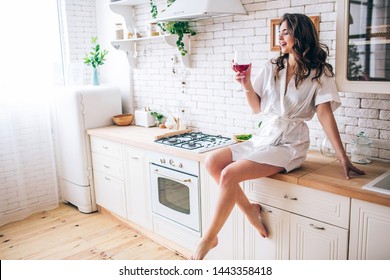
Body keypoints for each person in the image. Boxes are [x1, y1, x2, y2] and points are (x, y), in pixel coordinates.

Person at [190, 13, 365, 260]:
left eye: (285, 32)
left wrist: (343, 158)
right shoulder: (274, 65)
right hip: (266, 135)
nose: (280, 37)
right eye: (279, 32)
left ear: (300, 35)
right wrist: (246, 84)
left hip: (291, 143)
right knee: (212, 162)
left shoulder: (320, 72)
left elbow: (325, 115)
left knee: (229, 173)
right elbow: (256, 108)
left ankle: (209, 238)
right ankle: (249, 209)